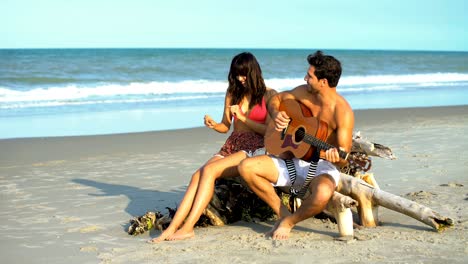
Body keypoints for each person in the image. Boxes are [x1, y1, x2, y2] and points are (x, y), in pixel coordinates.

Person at [149, 52, 276, 242]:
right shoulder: (233, 93)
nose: (240, 79)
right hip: (233, 143)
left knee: (209, 171)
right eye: (236, 74)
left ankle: (188, 227)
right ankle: (173, 227)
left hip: (255, 146)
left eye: (244, 74)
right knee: (196, 175)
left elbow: (269, 131)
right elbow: (226, 126)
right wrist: (214, 124)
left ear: (253, 72)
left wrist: (242, 118)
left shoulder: (269, 94)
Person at [238, 50, 354, 240]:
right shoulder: (304, 92)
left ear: (323, 82)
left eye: (310, 75)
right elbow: (276, 99)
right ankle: (283, 213)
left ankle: (289, 222)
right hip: (290, 157)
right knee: (246, 167)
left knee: (323, 192)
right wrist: (276, 114)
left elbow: (342, 158)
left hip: (319, 164)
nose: (305, 78)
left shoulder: (342, 112)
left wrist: (333, 156)